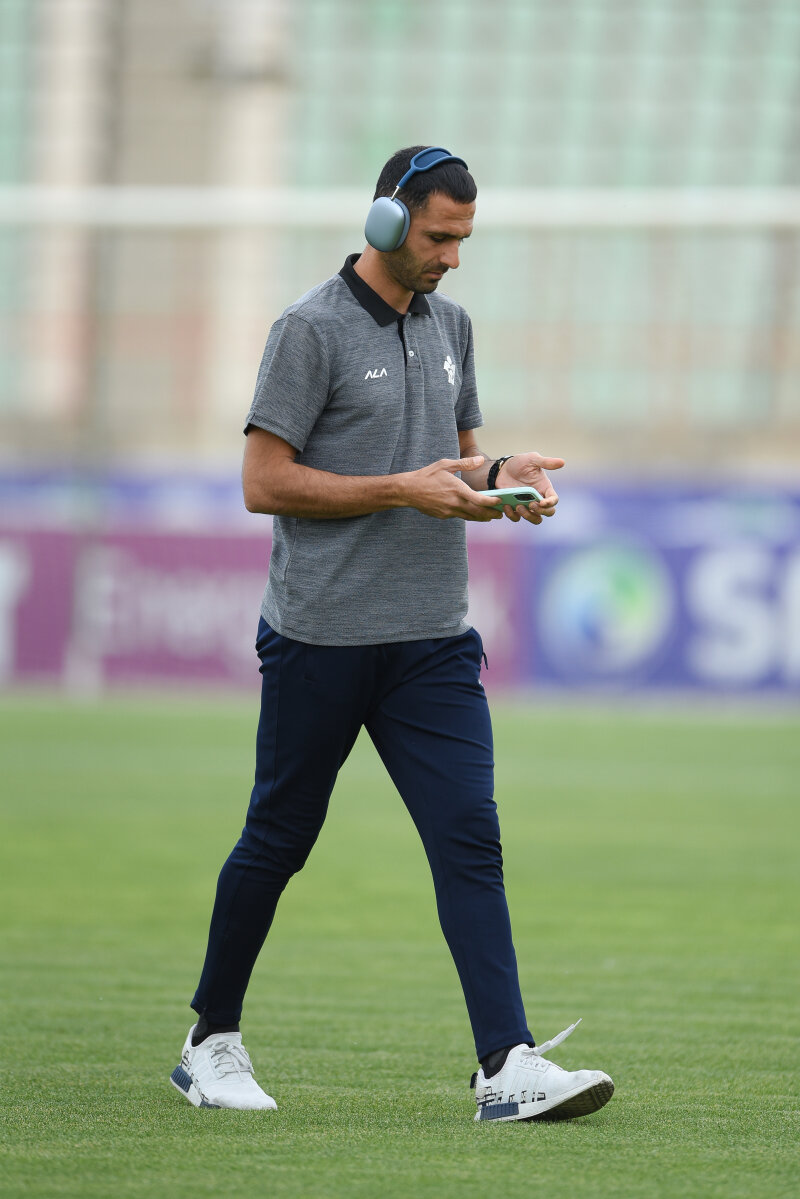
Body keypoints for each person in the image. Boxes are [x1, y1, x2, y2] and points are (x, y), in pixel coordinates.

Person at [169, 145, 614, 1123]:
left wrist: (500, 473)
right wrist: (401, 489)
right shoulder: (308, 329)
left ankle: (505, 1064)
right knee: (278, 838)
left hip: (432, 639)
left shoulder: (453, 325)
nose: (453, 256)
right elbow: (262, 483)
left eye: (463, 238)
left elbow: (454, 463)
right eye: (439, 236)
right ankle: (210, 1040)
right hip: (320, 636)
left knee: (469, 837)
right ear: (385, 221)